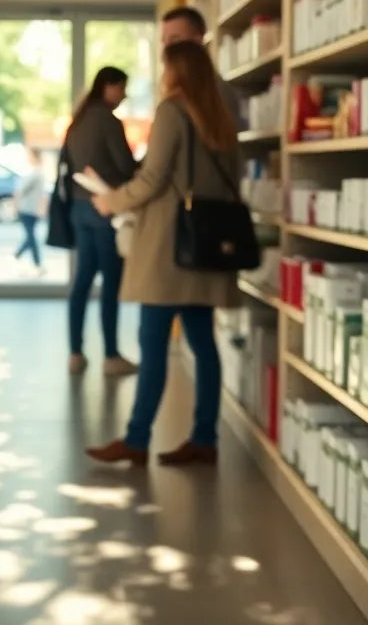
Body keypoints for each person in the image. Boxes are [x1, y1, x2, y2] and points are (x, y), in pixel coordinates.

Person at [85, 41, 242, 467]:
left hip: (171, 247)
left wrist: (112, 201)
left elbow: (152, 178)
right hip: (206, 249)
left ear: (177, 72)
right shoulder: (222, 117)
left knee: (151, 342)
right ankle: (205, 439)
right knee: (203, 345)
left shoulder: (173, 111)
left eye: (166, 68)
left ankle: (136, 441)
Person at [63, 66, 139, 377]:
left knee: (82, 279)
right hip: (106, 208)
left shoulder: (78, 120)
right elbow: (125, 165)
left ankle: (75, 352)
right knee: (111, 281)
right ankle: (110, 354)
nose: (124, 95)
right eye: (121, 88)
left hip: (80, 207)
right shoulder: (108, 120)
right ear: (108, 86)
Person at [161, 5, 241, 120]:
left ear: (197, 41)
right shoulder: (174, 91)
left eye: (175, 39)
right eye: (164, 42)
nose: (167, 50)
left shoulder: (218, 93)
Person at [13, 147, 46, 275]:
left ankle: (18, 255)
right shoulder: (37, 173)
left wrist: (15, 205)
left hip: (28, 209)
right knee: (31, 237)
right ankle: (34, 262)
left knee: (31, 237)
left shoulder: (35, 174)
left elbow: (21, 191)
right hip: (29, 209)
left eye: (29, 155)